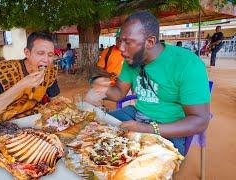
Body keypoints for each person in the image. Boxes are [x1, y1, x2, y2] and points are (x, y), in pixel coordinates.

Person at [86, 11, 211, 155]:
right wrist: (102, 86)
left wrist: (148, 129)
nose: (121, 49)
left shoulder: (187, 64)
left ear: (150, 42)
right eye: (120, 41)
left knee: (138, 168)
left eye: (128, 42)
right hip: (136, 114)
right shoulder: (132, 59)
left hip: (168, 128)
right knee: (93, 132)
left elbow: (200, 120)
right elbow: (119, 93)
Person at [0, 31, 60, 124]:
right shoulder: (6, 72)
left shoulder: (49, 72)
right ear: (27, 53)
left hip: (34, 122)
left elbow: (56, 101)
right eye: (40, 53)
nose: (46, 60)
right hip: (2, 126)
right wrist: (21, 85)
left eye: (50, 55)